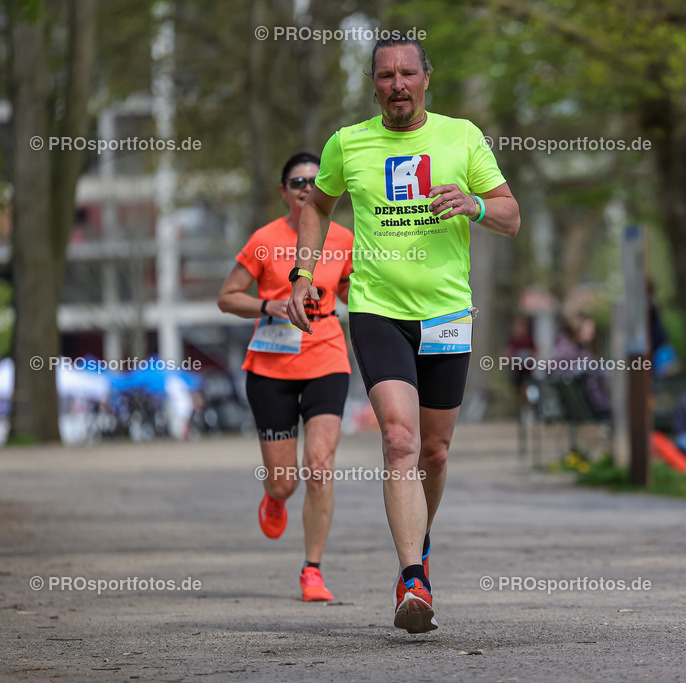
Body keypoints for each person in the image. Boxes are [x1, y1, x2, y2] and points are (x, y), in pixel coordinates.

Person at [286, 37, 520, 633]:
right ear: (373, 83)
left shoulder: (462, 136)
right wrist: (304, 273)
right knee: (398, 440)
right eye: (386, 75)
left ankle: (420, 533)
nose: (397, 84)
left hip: (445, 313)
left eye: (406, 73)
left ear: (425, 78)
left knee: (435, 452)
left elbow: (510, 216)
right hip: (377, 309)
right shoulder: (349, 143)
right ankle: (412, 577)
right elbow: (316, 204)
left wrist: (471, 203)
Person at [218, 152, 354, 602]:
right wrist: (266, 305)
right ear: (283, 192)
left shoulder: (344, 240)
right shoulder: (264, 240)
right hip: (271, 366)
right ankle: (274, 495)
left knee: (320, 466)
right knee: (285, 480)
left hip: (327, 359)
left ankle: (312, 570)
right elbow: (227, 297)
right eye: (296, 181)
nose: (305, 188)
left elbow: (359, 292)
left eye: (313, 182)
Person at [550, 314, 611, 417]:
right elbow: (555, 371)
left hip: (595, 402)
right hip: (590, 405)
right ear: (577, 328)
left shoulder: (582, 349)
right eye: (589, 327)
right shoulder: (565, 350)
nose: (592, 331)